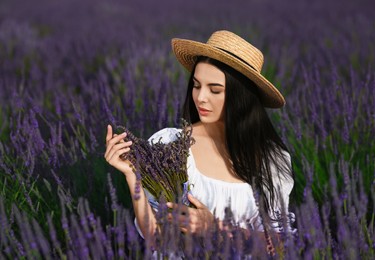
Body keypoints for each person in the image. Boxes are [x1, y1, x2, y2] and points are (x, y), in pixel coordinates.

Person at [104, 30, 294, 252]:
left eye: (215, 90)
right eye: (196, 85)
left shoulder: (271, 159)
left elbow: (279, 245)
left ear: (241, 97)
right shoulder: (170, 144)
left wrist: (215, 228)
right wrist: (133, 176)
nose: (200, 97)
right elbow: (156, 238)